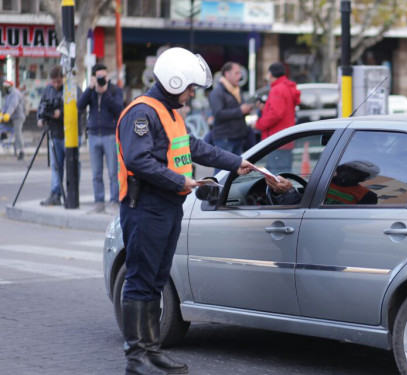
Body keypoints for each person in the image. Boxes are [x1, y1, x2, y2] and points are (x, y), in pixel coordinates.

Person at [116, 47, 254, 375]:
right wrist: (183, 180)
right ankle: (137, 359)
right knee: (140, 281)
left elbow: (194, 146)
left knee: (157, 280)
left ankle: (152, 351)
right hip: (146, 207)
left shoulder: (171, 112)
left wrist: (237, 162)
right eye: (190, 87)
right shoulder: (142, 113)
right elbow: (138, 161)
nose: (193, 93)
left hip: (167, 206)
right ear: (174, 82)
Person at [78, 63, 124, 213]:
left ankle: (115, 201)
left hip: (110, 135)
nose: (101, 79)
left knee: (113, 172)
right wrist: (90, 88)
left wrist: (105, 93)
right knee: (96, 172)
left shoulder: (114, 90)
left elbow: (119, 109)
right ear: (93, 77)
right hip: (93, 135)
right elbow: (80, 106)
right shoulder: (91, 91)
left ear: (108, 76)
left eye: (103, 76)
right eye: (98, 77)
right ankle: (99, 202)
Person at [266, 160, 379, 205]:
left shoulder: (366, 196)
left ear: (363, 178)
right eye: (346, 169)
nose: (346, 174)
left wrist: (289, 193)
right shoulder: (323, 181)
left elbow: (302, 211)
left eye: (354, 172)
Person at [254, 62, 300, 174]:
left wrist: (258, 124)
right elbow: (282, 111)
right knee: (283, 173)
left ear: (271, 74)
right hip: (285, 138)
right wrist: (265, 108)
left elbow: (276, 114)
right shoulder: (287, 87)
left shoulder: (277, 89)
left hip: (276, 140)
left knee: (277, 175)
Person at [37, 65, 68, 206]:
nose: (56, 85)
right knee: (56, 165)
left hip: (68, 134)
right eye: (54, 82)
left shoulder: (70, 89)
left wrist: (60, 114)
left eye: (59, 82)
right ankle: (55, 194)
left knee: (72, 166)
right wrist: (40, 118)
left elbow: (78, 109)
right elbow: (42, 106)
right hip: (54, 133)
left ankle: (71, 193)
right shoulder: (48, 90)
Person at [208, 62, 253, 157]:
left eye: (240, 73)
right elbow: (218, 114)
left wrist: (247, 109)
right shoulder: (217, 92)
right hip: (224, 139)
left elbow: (239, 109)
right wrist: (240, 110)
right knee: (222, 171)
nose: (240, 76)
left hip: (238, 137)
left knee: (235, 171)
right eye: (237, 73)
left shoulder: (237, 90)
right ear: (227, 74)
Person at [0, 80, 27, 160]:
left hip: (18, 116)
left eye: (6, 87)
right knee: (3, 127)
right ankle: (4, 135)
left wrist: (8, 114)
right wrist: (2, 113)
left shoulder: (15, 93)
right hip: (11, 116)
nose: (4, 89)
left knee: (17, 132)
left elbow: (13, 105)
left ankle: (22, 151)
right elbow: (5, 105)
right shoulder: (8, 94)